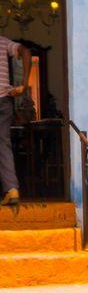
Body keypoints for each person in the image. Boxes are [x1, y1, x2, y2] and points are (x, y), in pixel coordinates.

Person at [0, 35, 31, 206]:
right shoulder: (3, 42)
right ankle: (12, 189)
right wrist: (24, 85)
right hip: (4, 99)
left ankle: (11, 190)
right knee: (3, 145)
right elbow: (25, 52)